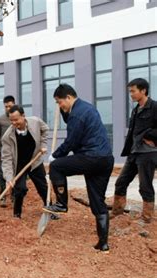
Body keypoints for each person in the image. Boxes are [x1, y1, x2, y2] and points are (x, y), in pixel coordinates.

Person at [43, 84, 114, 252]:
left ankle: (61, 204)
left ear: (68, 97)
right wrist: (61, 110)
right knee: (97, 201)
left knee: (56, 167)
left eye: (60, 102)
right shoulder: (86, 108)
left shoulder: (77, 115)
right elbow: (70, 119)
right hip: (105, 160)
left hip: (91, 157)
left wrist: (56, 155)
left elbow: (71, 142)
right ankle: (103, 243)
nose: (60, 105)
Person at [111, 78, 156, 224]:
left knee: (145, 186)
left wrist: (150, 137)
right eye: (130, 91)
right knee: (121, 182)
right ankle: (117, 211)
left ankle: (146, 218)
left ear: (143, 91)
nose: (131, 94)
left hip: (148, 153)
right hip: (134, 152)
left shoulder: (154, 107)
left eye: (133, 91)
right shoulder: (136, 109)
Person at [1, 105, 48, 218]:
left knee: (43, 187)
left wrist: (43, 145)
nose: (13, 123)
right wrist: (9, 178)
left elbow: (45, 129)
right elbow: (6, 159)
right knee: (19, 189)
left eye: (16, 119)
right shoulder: (8, 136)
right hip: (20, 164)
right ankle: (17, 214)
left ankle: (50, 208)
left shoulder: (35, 122)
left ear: (23, 116)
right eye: (11, 120)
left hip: (34, 161)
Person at [0, 95, 16, 207]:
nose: (8, 108)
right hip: (3, 153)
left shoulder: (17, 117)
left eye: (10, 106)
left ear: (14, 104)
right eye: (6, 106)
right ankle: (2, 197)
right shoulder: (0, 120)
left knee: (15, 174)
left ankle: (14, 196)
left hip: (16, 152)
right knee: (2, 175)